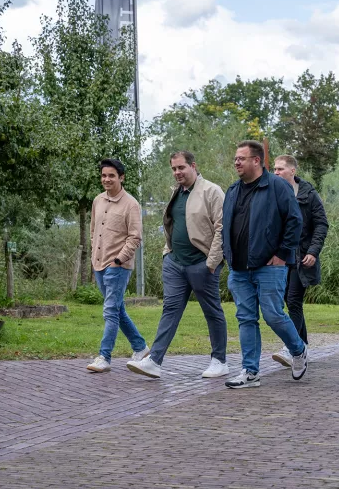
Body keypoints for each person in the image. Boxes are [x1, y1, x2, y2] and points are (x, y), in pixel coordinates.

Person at [126, 151, 229, 379]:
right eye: (173, 169)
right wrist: (167, 253)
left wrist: (212, 262)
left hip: (201, 264)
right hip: (175, 263)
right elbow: (172, 223)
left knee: (212, 312)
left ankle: (220, 360)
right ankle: (154, 361)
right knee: (170, 310)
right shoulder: (177, 192)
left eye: (181, 168)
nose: (177, 173)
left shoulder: (211, 191)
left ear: (194, 166)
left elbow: (223, 228)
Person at [222, 141, 308, 388]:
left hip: (270, 266)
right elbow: (226, 226)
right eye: (235, 158)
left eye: (241, 158)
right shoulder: (232, 191)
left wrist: (282, 253)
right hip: (239, 268)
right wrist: (227, 254)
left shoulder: (277, 186)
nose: (236, 162)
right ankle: (250, 372)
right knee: (246, 318)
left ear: (256, 161)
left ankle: (298, 350)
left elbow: (294, 221)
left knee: (273, 315)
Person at [86, 159, 149, 372]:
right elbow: (94, 230)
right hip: (99, 264)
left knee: (110, 310)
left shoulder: (131, 204)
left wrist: (119, 260)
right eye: (104, 175)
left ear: (121, 177)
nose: (106, 179)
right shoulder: (97, 201)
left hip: (118, 266)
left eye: (111, 175)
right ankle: (140, 347)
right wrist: (94, 253)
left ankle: (104, 357)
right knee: (117, 308)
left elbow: (135, 237)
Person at [271, 155, 328, 367]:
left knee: (293, 300)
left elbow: (321, 224)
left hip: (301, 257)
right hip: (280, 257)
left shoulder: (308, 194)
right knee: (287, 300)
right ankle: (302, 346)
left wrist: (313, 251)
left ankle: (291, 348)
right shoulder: (271, 192)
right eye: (274, 169)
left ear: (293, 171)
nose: (276, 173)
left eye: (280, 169)